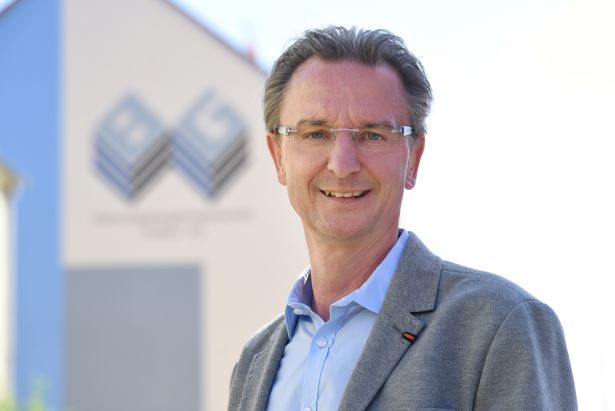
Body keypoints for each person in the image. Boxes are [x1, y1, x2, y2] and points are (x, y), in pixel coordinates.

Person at [228, 26, 577, 411]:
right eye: (316, 134)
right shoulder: (254, 362)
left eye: (373, 135)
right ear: (278, 156)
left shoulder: (498, 325)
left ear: (414, 158)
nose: (342, 164)